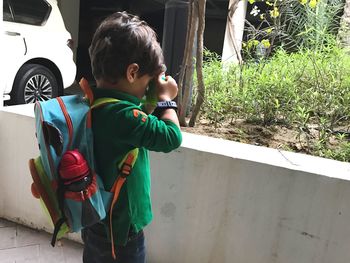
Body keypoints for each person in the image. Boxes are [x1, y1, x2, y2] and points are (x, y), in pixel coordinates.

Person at [81, 11, 182, 263]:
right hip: (122, 231)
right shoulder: (123, 117)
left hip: (95, 218)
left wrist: (150, 90)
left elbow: (140, 114)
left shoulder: (95, 103)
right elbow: (171, 137)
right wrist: (166, 99)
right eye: (147, 80)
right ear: (132, 72)